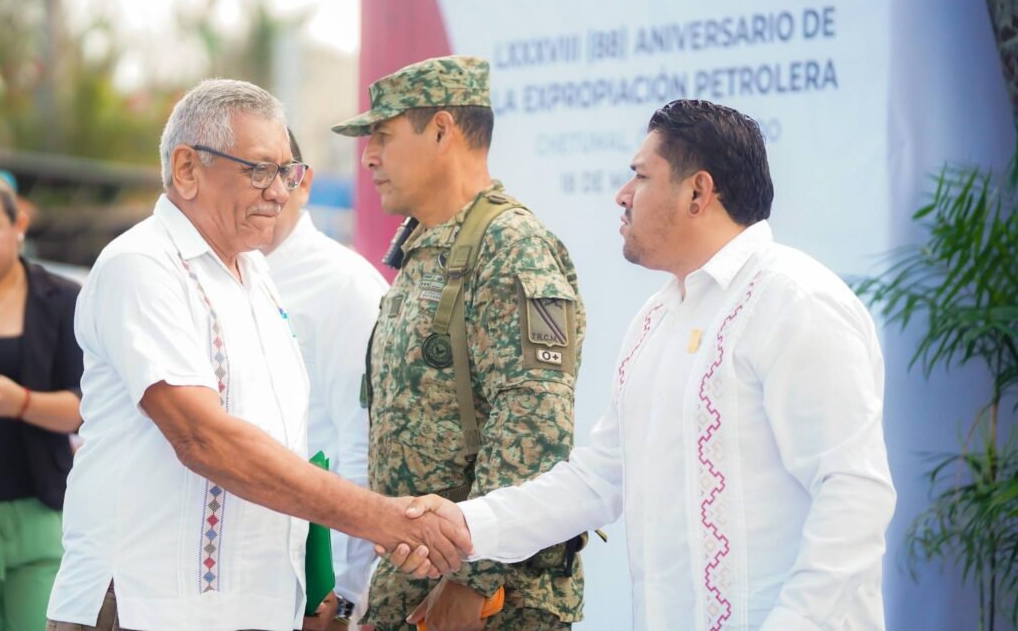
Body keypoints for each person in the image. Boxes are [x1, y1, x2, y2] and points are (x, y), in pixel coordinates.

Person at [395, 99, 898, 630]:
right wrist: (464, 524)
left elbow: (853, 493)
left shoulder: (795, 301)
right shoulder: (657, 317)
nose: (623, 194)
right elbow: (597, 479)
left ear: (697, 192)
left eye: (640, 175)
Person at [45, 79, 470, 631]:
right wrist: (383, 520)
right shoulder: (143, 264)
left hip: (256, 608)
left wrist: (314, 583)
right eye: (260, 170)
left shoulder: (254, 273)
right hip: (147, 605)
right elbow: (205, 439)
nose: (278, 191)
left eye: (287, 172)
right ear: (187, 168)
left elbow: (293, 445)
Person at [330, 55, 586, 630]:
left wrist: (473, 580)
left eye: (384, 136)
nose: (368, 156)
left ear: (443, 130)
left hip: (494, 602)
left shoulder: (511, 246)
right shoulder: (425, 247)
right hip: (415, 587)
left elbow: (535, 426)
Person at [264, 130, 387, 629]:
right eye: (249, 173)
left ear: (304, 182)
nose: (265, 190)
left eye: (278, 173)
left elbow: (362, 446)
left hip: (313, 586)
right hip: (241, 574)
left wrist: (344, 591)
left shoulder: (343, 286)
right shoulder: (229, 276)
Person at [0, 173, 82, 631]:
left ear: (19, 226)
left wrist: (21, 402)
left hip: (40, 509)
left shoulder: (63, 299)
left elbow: (88, 407)